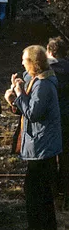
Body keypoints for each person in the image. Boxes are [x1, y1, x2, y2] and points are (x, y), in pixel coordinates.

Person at [5, 45, 62, 230]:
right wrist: (15, 96)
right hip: (41, 142)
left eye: (24, 59)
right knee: (40, 186)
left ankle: (38, 227)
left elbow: (33, 113)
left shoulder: (43, 85)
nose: (22, 62)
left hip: (41, 143)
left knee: (36, 186)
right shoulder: (40, 81)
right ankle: (44, 227)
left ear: (32, 63)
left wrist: (20, 93)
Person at [47, 37, 69, 207]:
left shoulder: (46, 71)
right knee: (66, 156)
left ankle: (52, 190)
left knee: (49, 156)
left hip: (51, 118)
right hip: (67, 117)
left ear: (49, 51)